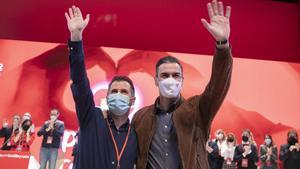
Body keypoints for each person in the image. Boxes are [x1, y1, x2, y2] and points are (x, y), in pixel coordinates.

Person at [132, 0, 233, 168]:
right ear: (156, 80)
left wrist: (222, 46)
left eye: (175, 75)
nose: (170, 79)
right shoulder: (140, 118)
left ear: (182, 80)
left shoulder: (198, 110)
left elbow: (218, 85)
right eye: (164, 75)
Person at [65, 6, 137, 169]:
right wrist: (76, 38)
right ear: (107, 96)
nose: (118, 95)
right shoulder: (91, 117)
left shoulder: (136, 134)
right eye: (114, 91)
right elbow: (79, 82)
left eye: (123, 92)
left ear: (132, 100)